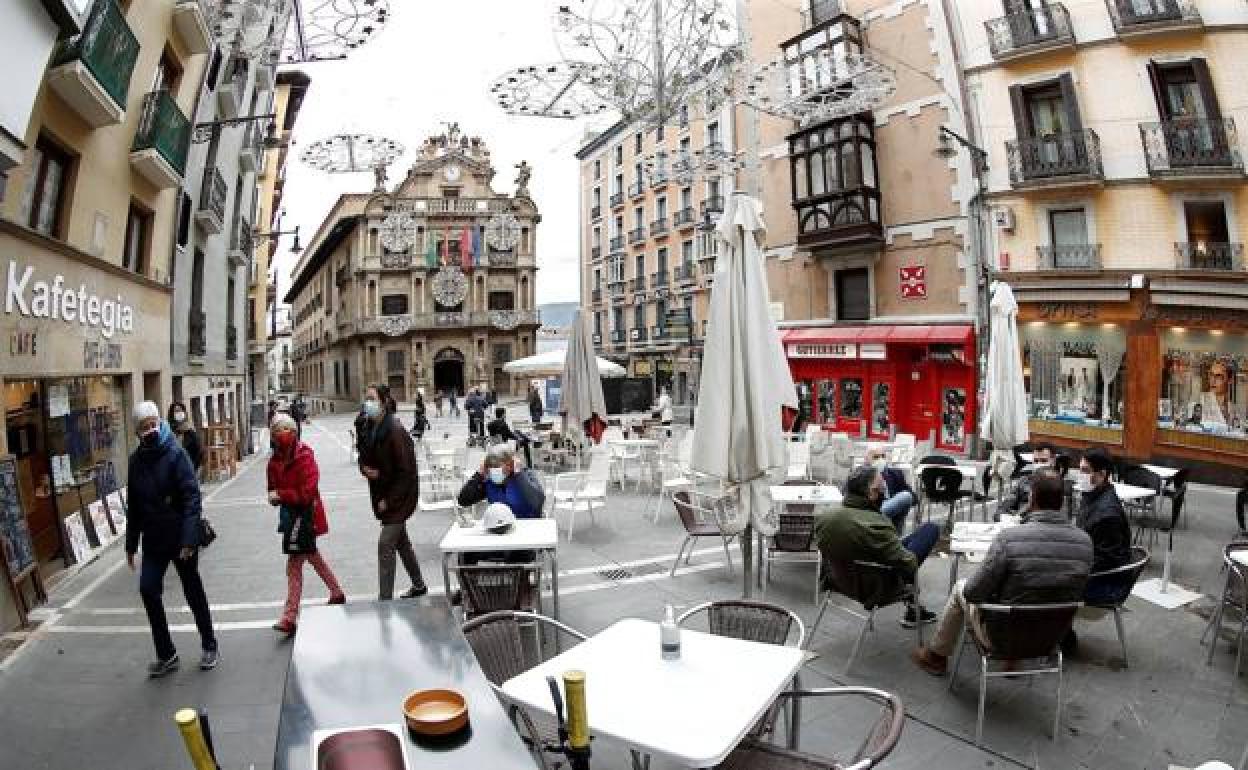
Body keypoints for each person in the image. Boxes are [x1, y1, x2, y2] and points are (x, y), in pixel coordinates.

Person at [911, 470, 1093, 676]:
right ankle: (1012, 662)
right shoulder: (1085, 542)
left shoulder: (1009, 538)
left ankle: (936, 656)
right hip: (1051, 639)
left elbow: (973, 593)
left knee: (961, 588)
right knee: (1025, 593)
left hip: (1003, 637)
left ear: (1032, 498)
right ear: (1061, 502)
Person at [125, 401, 218, 676]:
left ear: (160, 423)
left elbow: (192, 498)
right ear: (137, 431)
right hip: (154, 540)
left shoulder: (176, 454)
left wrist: (189, 540)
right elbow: (134, 506)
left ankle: (209, 643)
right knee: (148, 590)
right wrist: (131, 545)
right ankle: (167, 654)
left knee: (192, 590)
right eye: (144, 427)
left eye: (153, 424)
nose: (150, 430)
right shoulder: (135, 461)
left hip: (180, 538)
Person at [816, 465, 942, 627]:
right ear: (871, 492)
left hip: (837, 580)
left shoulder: (825, 517)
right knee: (930, 529)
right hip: (875, 588)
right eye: (883, 487)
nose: (885, 492)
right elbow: (909, 564)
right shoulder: (876, 524)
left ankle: (914, 609)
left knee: (904, 543)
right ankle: (914, 609)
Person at [267, 413, 346, 635]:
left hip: (306, 516)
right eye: (276, 430)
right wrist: (274, 496)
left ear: (293, 432)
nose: (280, 434)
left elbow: (307, 493)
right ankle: (336, 592)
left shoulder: (305, 456)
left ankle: (289, 616)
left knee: (294, 565)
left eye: (285, 429)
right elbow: (272, 488)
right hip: (291, 519)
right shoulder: (274, 461)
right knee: (311, 556)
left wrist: (281, 495)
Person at [357, 384, 428, 600]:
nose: (367, 403)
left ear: (384, 402)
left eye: (372, 398)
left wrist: (389, 500)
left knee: (386, 543)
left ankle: (385, 600)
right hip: (383, 494)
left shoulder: (396, 431)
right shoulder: (369, 427)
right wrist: (364, 469)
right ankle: (419, 585)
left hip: (399, 498)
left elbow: (406, 473)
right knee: (401, 542)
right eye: (366, 398)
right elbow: (363, 455)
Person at [457, 444, 546, 564]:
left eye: (497, 467)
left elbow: (537, 501)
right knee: (466, 553)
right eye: (491, 468)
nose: (494, 471)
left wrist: (519, 475)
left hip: (525, 534)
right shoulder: (489, 482)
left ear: (510, 465)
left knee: (517, 556)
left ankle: (516, 582)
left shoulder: (525, 476)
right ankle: (473, 582)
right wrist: (479, 474)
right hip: (499, 532)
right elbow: (463, 500)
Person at [998, 442, 1056, 517]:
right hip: (1021, 524)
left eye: (1043, 461)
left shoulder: (1061, 485)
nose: (1039, 464)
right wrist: (1009, 518)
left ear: (1053, 461)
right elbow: (1002, 509)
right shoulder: (1023, 481)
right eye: (1036, 461)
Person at [865, 447, 915, 534]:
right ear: (867, 459)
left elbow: (912, 496)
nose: (880, 460)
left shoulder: (895, 473)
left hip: (891, 514)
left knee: (905, 496)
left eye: (883, 456)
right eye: (876, 457)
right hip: (869, 511)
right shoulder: (860, 474)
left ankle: (895, 536)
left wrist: (896, 504)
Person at [167, 401, 202, 473]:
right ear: (172, 414)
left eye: (180, 410)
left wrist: (193, 468)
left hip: (189, 469)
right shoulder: (168, 432)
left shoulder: (190, 431)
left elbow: (198, 450)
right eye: (176, 411)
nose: (179, 413)